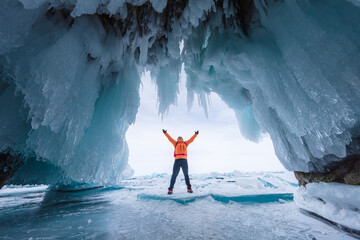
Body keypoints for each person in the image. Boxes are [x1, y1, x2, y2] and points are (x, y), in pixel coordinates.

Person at [162, 129, 199, 195]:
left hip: (184, 160)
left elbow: (191, 140)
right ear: (177, 139)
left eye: (180, 137)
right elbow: (169, 138)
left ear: (182, 138)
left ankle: (189, 188)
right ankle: (170, 190)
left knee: (186, 175)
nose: (179, 138)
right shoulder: (175, 143)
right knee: (174, 175)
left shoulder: (185, 143)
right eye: (178, 137)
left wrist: (195, 134)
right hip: (177, 161)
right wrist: (165, 133)